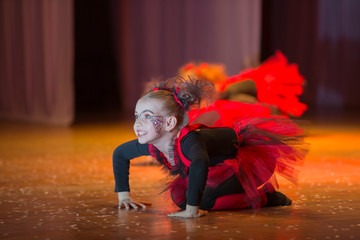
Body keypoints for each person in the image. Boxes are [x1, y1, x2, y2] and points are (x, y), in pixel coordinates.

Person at [113, 77, 308, 218]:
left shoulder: (189, 142)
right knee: (180, 198)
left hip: (245, 163)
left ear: (170, 123)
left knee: (200, 201)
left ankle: (265, 197)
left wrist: (192, 210)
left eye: (147, 117)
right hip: (214, 168)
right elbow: (120, 154)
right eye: (137, 116)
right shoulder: (156, 145)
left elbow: (199, 162)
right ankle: (206, 200)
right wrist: (124, 197)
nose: (137, 123)